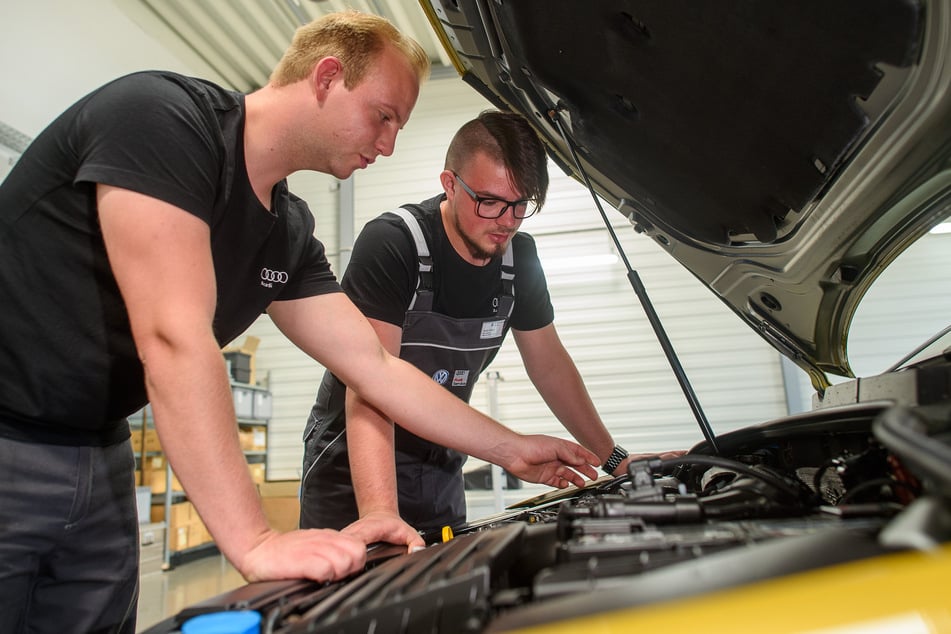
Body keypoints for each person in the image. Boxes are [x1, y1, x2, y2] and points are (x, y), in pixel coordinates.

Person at [0, 13, 600, 634]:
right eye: (384, 116)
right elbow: (174, 339)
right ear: (328, 76)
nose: (389, 143)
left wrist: (514, 450)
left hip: (99, 449)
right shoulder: (163, 121)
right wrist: (255, 540)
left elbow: (374, 367)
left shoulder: (285, 235)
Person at [300, 110, 684, 542]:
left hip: (441, 461)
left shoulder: (520, 259)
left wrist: (613, 459)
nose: (506, 220)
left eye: (521, 205)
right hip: (354, 467)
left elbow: (550, 366)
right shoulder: (395, 244)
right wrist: (380, 512)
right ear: (449, 183)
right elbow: (371, 383)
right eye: (489, 202)